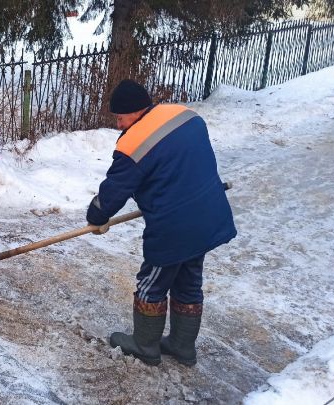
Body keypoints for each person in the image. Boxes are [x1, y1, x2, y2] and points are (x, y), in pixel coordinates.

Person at [86, 79, 237, 366]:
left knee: (151, 284)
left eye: (120, 117)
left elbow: (115, 190)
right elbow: (184, 164)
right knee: (189, 282)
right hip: (207, 215)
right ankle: (182, 346)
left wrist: (97, 216)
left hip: (174, 228)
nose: (118, 125)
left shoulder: (134, 143)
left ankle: (145, 345)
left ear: (136, 111)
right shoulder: (185, 116)